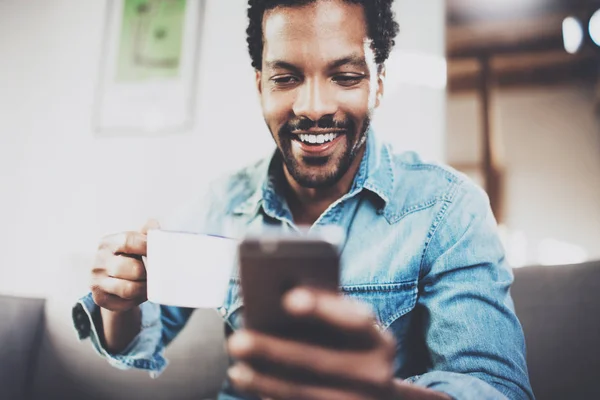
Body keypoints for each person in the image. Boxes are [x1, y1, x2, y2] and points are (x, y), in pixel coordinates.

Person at [73, 0, 534, 399]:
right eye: (287, 78)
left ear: (378, 84)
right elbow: (141, 333)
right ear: (260, 88)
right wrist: (122, 302)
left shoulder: (449, 209)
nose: (313, 107)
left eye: (346, 76)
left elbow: (496, 389)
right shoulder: (223, 202)